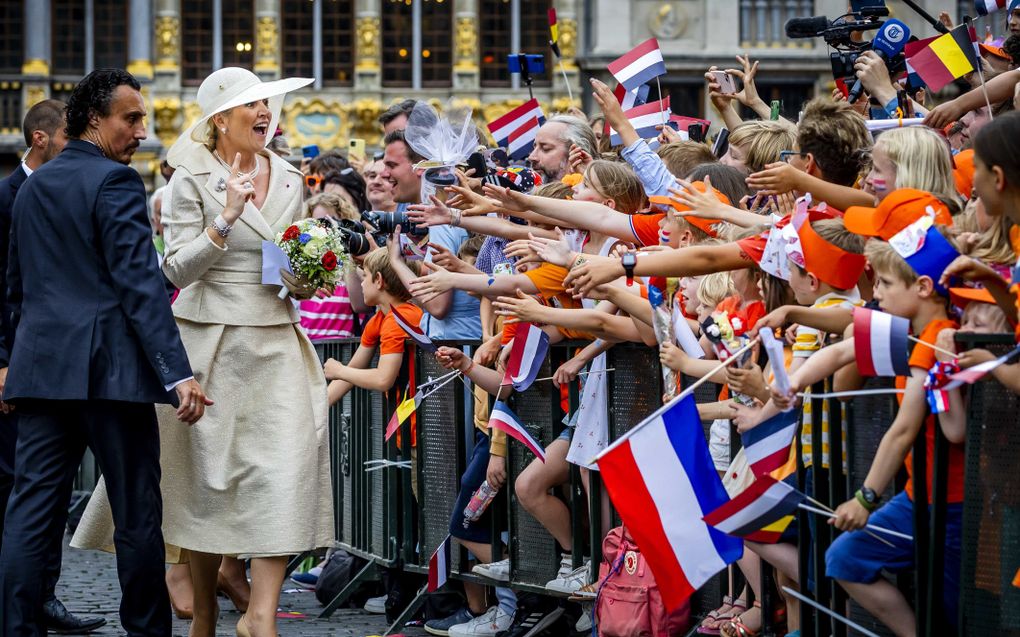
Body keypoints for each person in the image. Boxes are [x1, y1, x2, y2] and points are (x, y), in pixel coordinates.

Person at [0, 68, 210, 637]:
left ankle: (17, 629)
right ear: (94, 118)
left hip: (42, 370)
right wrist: (178, 373)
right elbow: (139, 285)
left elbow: (16, 289)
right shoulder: (114, 183)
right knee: (137, 514)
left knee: (30, 511)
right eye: (131, 117)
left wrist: (14, 363)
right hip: (109, 375)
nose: (142, 129)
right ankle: (145, 631)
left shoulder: (33, 184)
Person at [154, 67, 331, 637]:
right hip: (210, 341)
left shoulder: (288, 176)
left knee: (283, 471)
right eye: (252, 105)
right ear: (220, 119)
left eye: (268, 104)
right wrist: (225, 218)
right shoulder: (190, 178)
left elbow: (286, 267)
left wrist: (309, 274)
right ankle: (205, 615)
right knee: (210, 487)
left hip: (276, 337)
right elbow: (174, 269)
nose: (265, 114)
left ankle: (261, 616)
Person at [0, 99, 107, 635]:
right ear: (42, 139)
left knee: (50, 490)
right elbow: (7, 289)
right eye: (69, 137)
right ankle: (18, 612)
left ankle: (43, 598)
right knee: (23, 491)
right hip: (25, 365)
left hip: (65, 367)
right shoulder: (8, 195)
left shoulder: (76, 185)